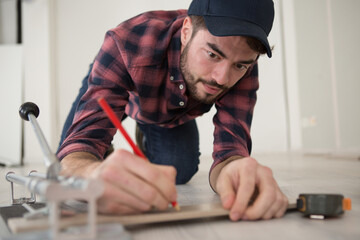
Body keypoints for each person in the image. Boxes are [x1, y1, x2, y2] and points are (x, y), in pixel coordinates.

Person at [57, 0, 288, 221]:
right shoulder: (126, 42)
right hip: (118, 82)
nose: (222, 78)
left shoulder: (244, 62)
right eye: (212, 54)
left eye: (240, 65)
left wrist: (234, 170)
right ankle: (106, 147)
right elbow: (77, 151)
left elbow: (231, 148)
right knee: (68, 162)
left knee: (180, 168)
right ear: (186, 31)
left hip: (167, 111)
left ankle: (145, 130)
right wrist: (90, 172)